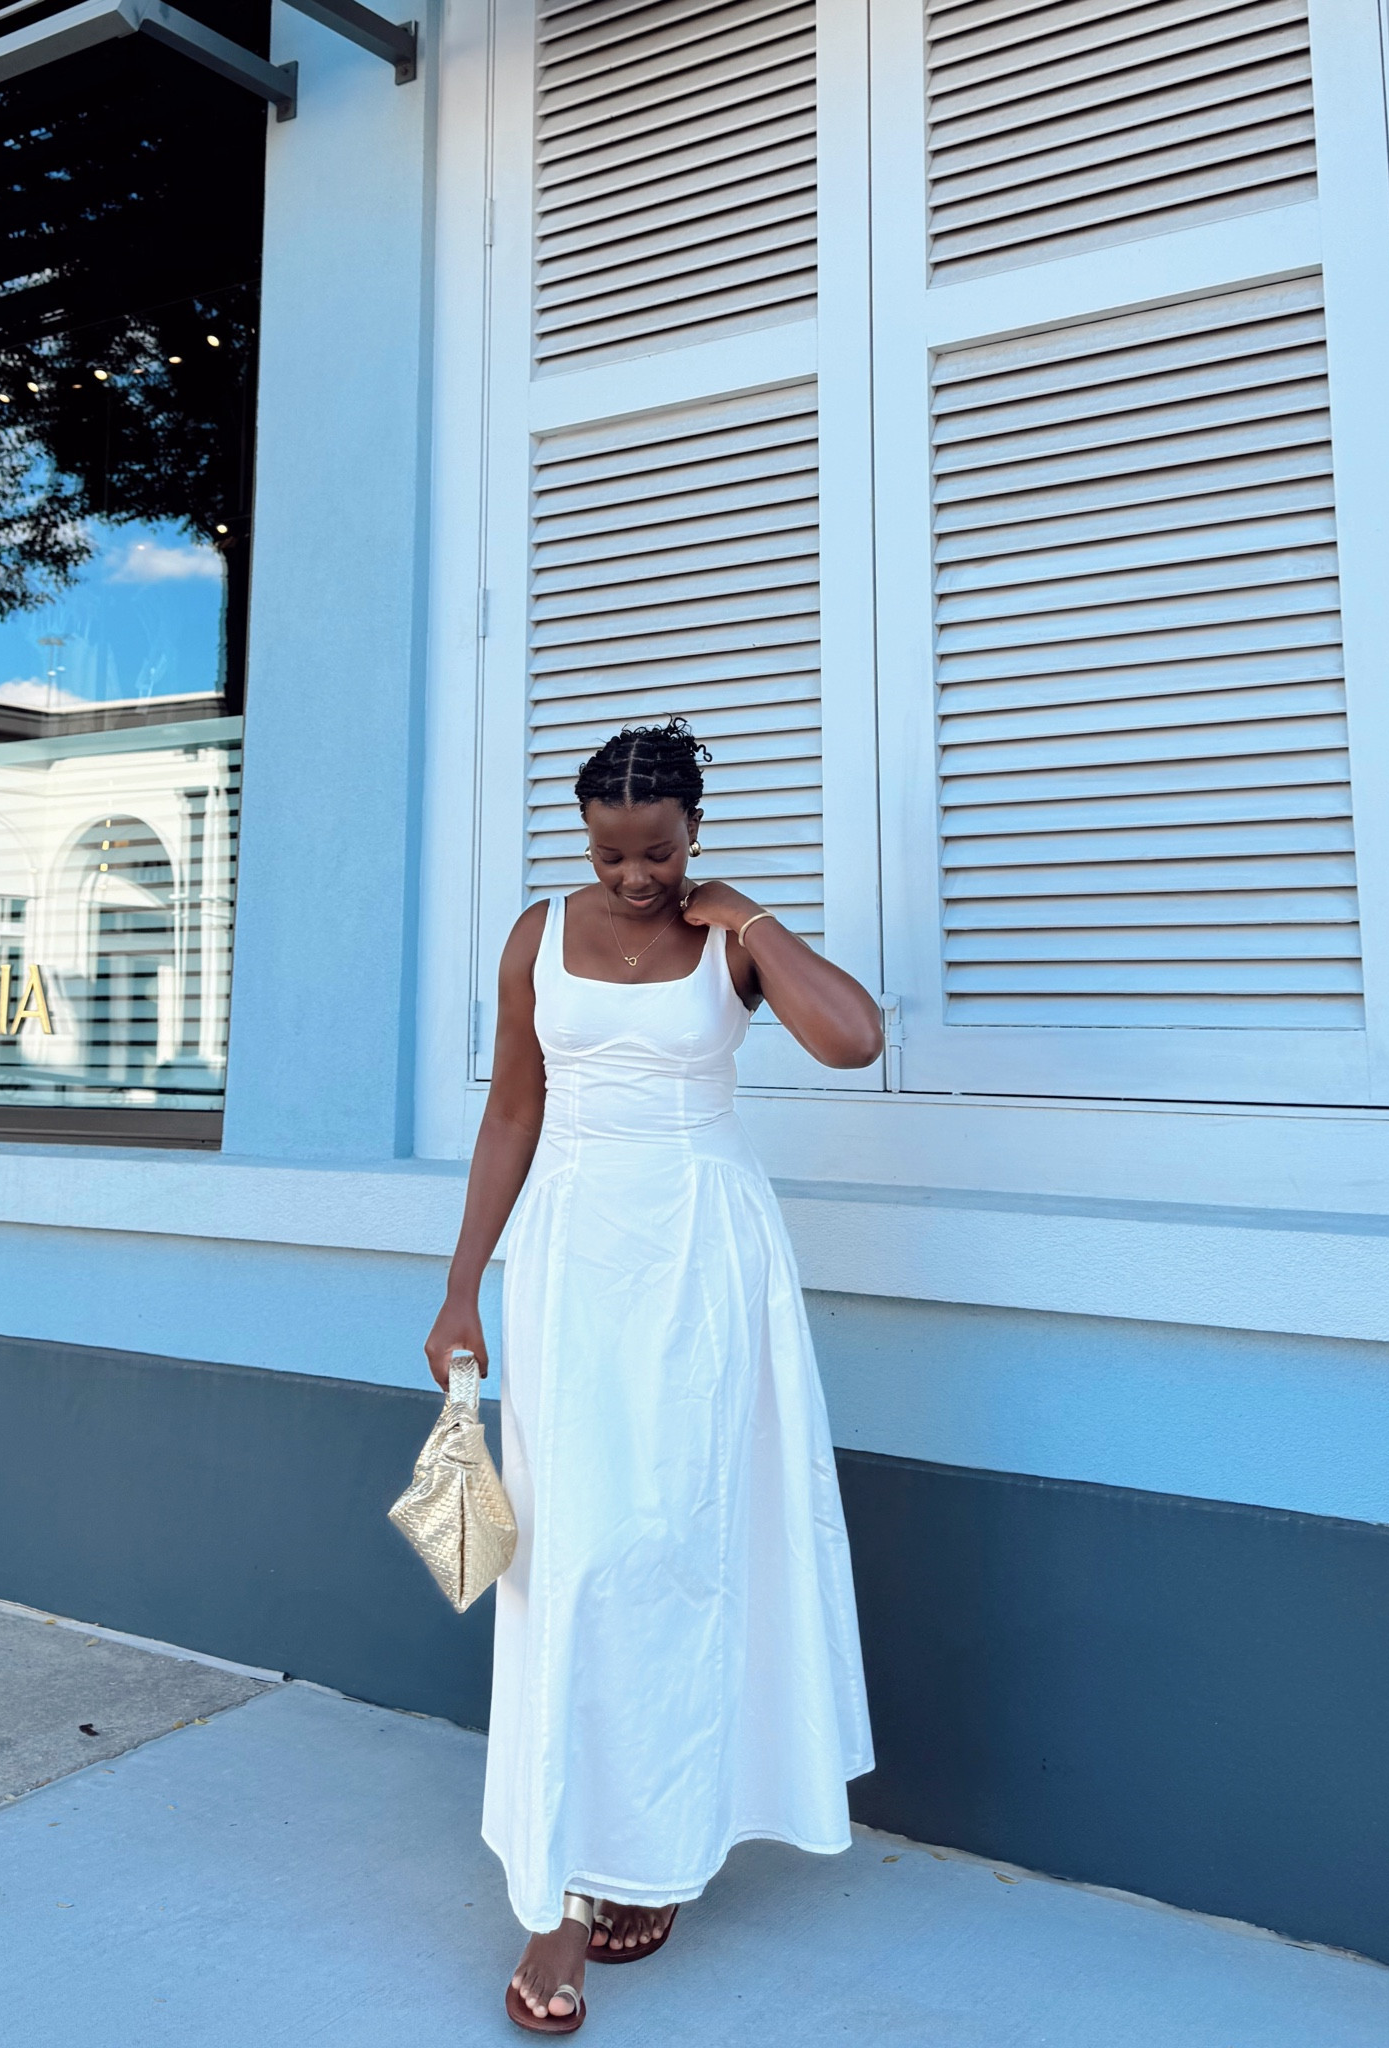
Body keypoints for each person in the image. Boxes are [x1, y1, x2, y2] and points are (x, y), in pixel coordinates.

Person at [425, 718, 881, 2033]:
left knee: (678, 1551)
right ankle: (559, 1896)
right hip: (571, 1264)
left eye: (658, 856)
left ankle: (657, 1842)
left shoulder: (727, 938)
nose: (633, 881)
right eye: (611, 854)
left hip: (704, 1267)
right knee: (571, 1559)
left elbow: (850, 1041)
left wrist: (752, 921)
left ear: (693, 834)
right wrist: (460, 1283)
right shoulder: (535, 933)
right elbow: (513, 1110)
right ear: (583, 835)